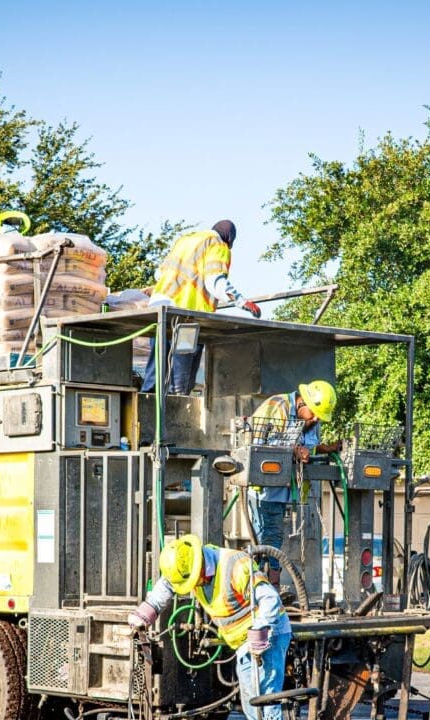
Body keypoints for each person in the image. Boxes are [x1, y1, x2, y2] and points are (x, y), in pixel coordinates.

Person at [129, 534, 294, 720]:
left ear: (199, 565)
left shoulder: (235, 566)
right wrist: (145, 613)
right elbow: (166, 585)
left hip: (269, 633)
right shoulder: (188, 566)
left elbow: (269, 598)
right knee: (251, 700)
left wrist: (260, 629)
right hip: (243, 642)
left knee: (265, 694)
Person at [144, 220, 260, 393]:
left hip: (159, 306)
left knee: (158, 362)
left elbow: (159, 273)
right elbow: (214, 281)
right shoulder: (218, 244)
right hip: (186, 313)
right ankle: (178, 405)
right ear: (229, 239)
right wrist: (242, 302)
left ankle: (147, 400)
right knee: (181, 371)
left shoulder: (185, 240)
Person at [245, 380, 336, 582]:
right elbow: (261, 445)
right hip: (264, 487)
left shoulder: (309, 418)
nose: (315, 419)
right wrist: (294, 449)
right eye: (313, 413)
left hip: (282, 487)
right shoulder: (277, 407)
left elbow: (308, 444)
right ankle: (269, 586)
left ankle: (265, 585)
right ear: (302, 402)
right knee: (270, 538)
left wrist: (325, 449)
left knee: (273, 538)